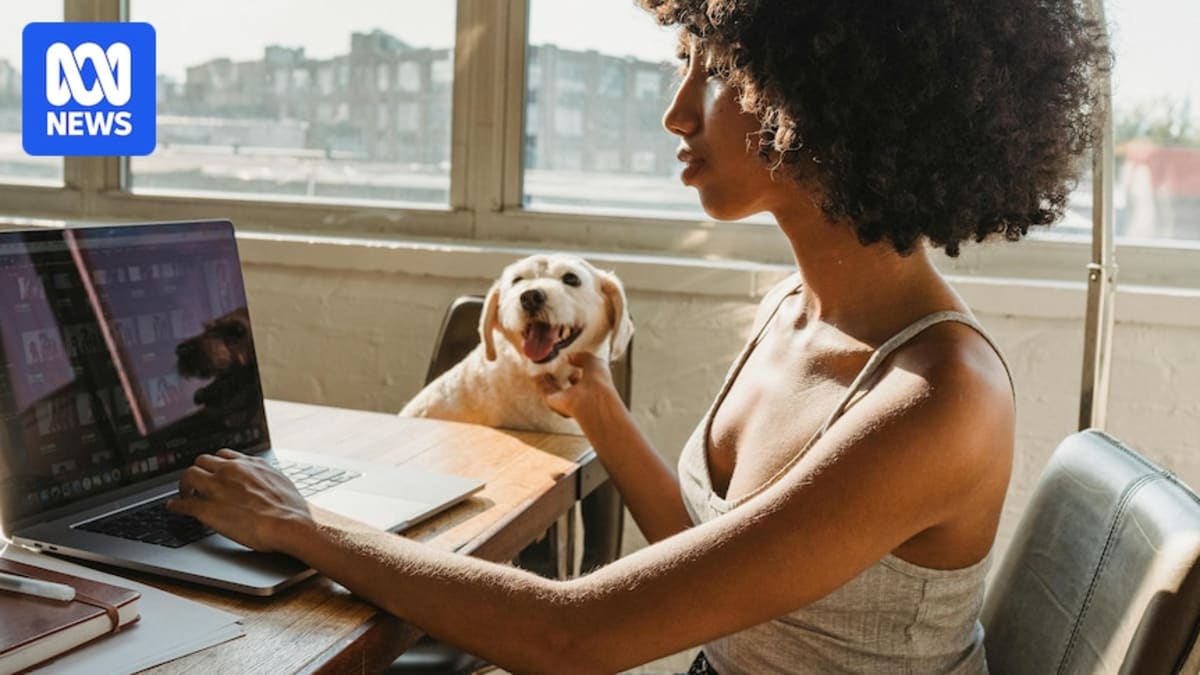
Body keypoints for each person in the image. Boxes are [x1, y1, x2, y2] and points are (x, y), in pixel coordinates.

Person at [167, 1, 1108, 672]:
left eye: (718, 68)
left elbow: (576, 637)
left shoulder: (937, 401)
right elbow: (711, 554)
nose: (677, 109)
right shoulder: (794, 309)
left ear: (831, 96)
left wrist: (298, 521)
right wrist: (601, 409)